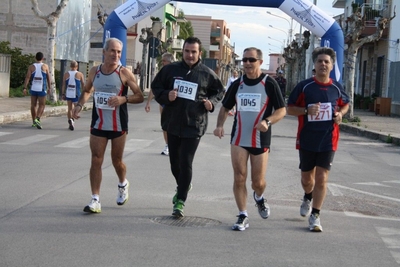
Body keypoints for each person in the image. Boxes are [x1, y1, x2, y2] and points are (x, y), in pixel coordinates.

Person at [213, 47, 286, 231]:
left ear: (260, 62)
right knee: (239, 177)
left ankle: (259, 197)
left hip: (260, 138)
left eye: (251, 60)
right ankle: (242, 214)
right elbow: (225, 107)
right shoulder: (237, 84)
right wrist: (220, 125)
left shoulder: (269, 84)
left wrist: (268, 122)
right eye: (244, 60)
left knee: (257, 182)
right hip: (239, 137)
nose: (246, 63)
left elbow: (281, 110)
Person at [151, 37, 225, 218]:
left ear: (200, 53)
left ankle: (180, 201)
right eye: (187, 51)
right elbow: (156, 87)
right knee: (174, 163)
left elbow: (219, 91)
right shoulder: (170, 70)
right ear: (182, 52)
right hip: (173, 123)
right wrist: (166, 95)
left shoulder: (207, 73)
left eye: (194, 52)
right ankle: (184, 184)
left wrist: (211, 103)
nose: (190, 55)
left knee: (186, 161)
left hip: (195, 124)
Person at [72, 37, 144, 213]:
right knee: (96, 159)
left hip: (118, 125)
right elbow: (87, 90)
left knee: (116, 161)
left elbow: (140, 96)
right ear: (104, 52)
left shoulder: (124, 73)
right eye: (112, 50)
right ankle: (95, 199)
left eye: (119, 52)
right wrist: (79, 105)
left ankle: (122, 183)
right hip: (98, 123)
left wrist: (123, 98)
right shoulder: (94, 71)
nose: (116, 54)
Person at [287, 47, 349, 232]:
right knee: (307, 180)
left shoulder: (337, 87)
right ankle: (307, 196)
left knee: (322, 178)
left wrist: (340, 115)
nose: (323, 64)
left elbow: (345, 105)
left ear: (331, 66)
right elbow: (289, 108)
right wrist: (306, 111)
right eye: (320, 61)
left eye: (326, 62)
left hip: (328, 139)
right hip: (307, 138)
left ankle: (315, 215)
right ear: (314, 65)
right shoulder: (305, 86)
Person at [145, 52, 175, 155]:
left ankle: (175, 145)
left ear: (170, 62)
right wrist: (148, 102)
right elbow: (154, 87)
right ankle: (168, 145)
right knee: (165, 124)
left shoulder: (178, 72)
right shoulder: (161, 73)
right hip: (163, 102)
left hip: (175, 104)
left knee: (174, 124)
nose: (162, 63)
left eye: (164, 61)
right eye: (162, 61)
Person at [23, 52, 51, 129]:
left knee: (33, 105)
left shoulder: (31, 67)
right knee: (42, 105)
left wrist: (25, 88)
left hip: (33, 88)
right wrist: (50, 87)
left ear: (35, 58)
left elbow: (27, 77)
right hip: (42, 89)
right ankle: (37, 118)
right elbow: (48, 77)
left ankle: (34, 121)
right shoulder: (45, 66)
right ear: (42, 58)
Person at [61, 60, 85, 130]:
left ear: (70, 66)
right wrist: (84, 92)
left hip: (69, 93)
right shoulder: (80, 74)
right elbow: (83, 84)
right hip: (76, 94)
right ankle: (73, 118)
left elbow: (63, 84)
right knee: (77, 108)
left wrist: (63, 93)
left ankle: (71, 120)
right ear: (77, 66)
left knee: (69, 109)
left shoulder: (66, 74)